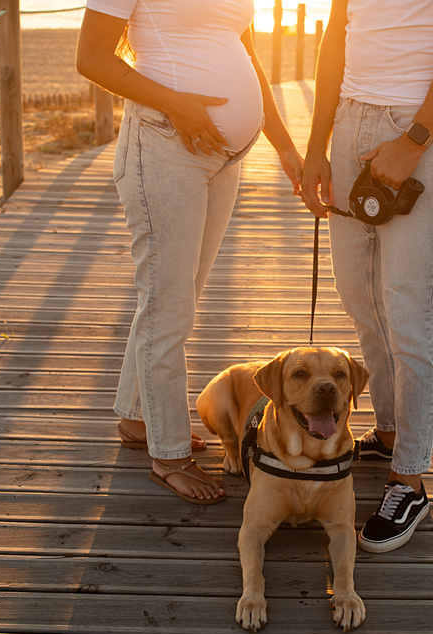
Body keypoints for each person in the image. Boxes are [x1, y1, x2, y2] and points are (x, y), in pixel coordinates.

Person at [76, 0, 302, 504]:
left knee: (176, 295)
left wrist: (284, 146)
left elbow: (244, 52)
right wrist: (176, 103)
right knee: (168, 306)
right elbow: (91, 57)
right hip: (164, 145)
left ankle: (139, 418)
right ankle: (170, 455)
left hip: (224, 158)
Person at [300, 0, 433, 550]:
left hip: (423, 124)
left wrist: (414, 141)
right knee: (359, 295)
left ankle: (409, 477)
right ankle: (389, 430)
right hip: (351, 118)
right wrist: (317, 143)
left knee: (412, 309)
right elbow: (337, 31)